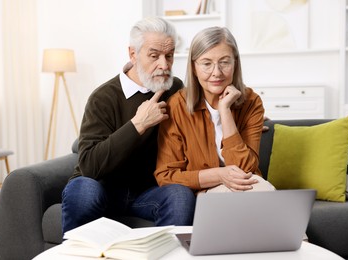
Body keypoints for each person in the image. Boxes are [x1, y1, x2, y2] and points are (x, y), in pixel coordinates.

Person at [61, 17, 196, 234]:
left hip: (148, 193)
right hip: (102, 187)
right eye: (154, 56)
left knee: (180, 195)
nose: (164, 65)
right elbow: (88, 166)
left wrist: (240, 121)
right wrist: (138, 124)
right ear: (133, 54)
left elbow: (203, 114)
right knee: (84, 190)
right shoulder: (103, 97)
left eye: (169, 56)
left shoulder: (174, 88)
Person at [154, 26, 273, 193]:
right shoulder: (177, 106)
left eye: (224, 62)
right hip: (203, 192)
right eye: (206, 64)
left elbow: (246, 169)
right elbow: (166, 175)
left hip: (246, 185)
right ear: (194, 67)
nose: (216, 72)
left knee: (263, 191)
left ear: (235, 63)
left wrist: (225, 111)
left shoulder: (251, 102)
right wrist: (219, 175)